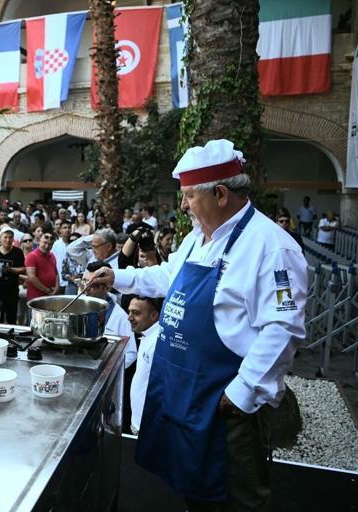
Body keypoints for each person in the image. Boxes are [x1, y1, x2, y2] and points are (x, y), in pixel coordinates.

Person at [97, 139, 307, 511]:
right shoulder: (198, 239)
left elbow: (283, 328)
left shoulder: (272, 247)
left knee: (235, 500)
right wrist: (116, 277)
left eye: (190, 196)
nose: (183, 205)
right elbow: (167, 276)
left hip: (227, 404)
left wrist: (241, 394)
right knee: (196, 491)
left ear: (221, 194)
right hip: (189, 394)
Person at [126, 296, 162, 434]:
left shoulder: (157, 343)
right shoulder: (147, 336)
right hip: (140, 421)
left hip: (149, 425)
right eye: (129, 312)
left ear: (154, 316)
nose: (129, 317)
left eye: (136, 313)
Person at [0, 227, 26, 324]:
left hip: (12, 290)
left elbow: (23, 269)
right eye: (5, 237)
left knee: (11, 318)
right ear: (0, 238)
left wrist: (10, 270)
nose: (8, 240)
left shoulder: (18, 252)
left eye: (10, 237)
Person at [25, 232, 58, 301]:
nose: (47, 246)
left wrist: (56, 289)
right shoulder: (32, 256)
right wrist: (46, 290)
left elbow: (56, 274)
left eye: (50, 244)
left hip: (50, 295)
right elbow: (32, 277)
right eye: (45, 243)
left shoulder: (52, 255)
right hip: (36, 297)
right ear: (39, 241)